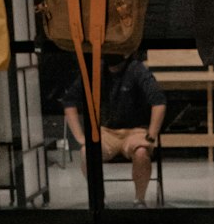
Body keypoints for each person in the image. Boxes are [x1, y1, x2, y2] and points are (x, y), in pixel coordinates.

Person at [63, 54, 166, 207]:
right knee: (87, 152)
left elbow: (159, 101)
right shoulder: (97, 70)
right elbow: (70, 100)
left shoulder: (136, 68)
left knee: (141, 152)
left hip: (135, 130)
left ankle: (139, 200)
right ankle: (99, 199)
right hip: (106, 131)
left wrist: (151, 135)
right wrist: (80, 137)